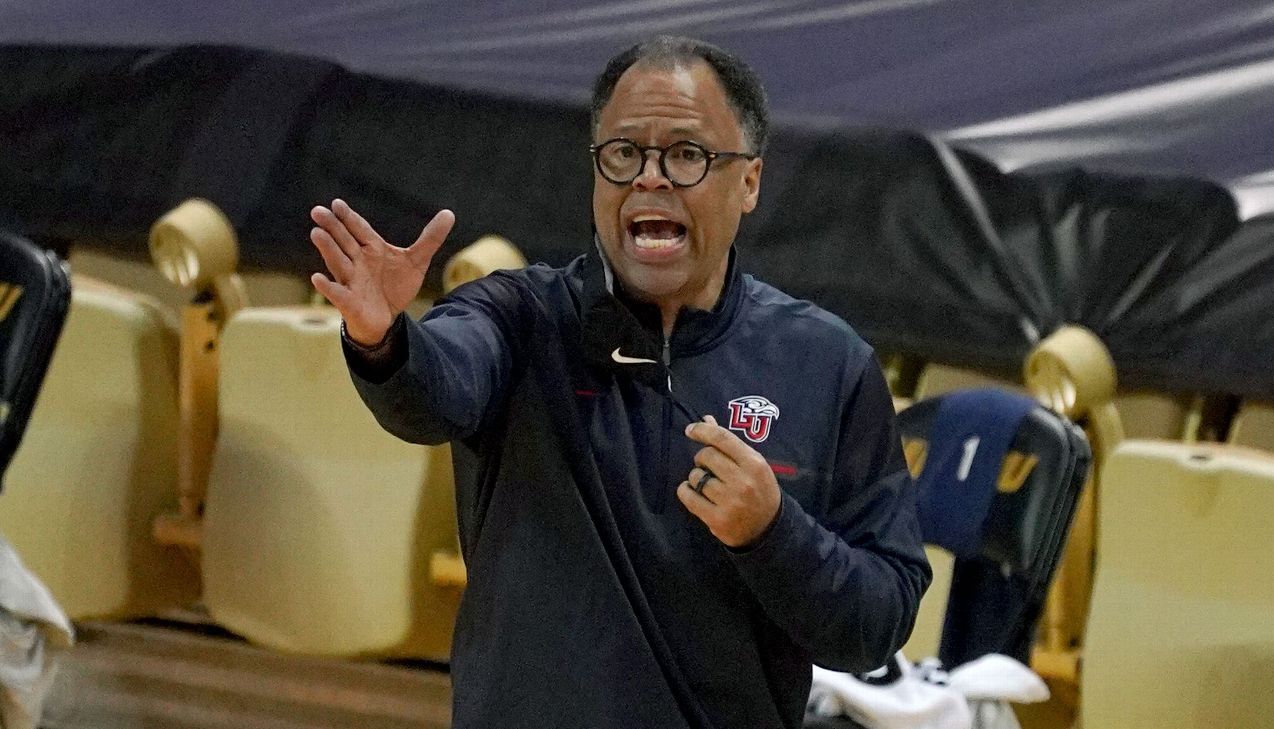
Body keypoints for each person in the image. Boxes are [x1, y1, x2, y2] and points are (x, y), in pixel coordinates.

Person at [308, 35, 930, 729]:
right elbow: (433, 389)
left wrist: (772, 531)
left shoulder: (828, 363)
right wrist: (382, 338)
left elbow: (880, 619)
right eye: (624, 153)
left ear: (750, 181)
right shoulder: (519, 318)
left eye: (688, 154)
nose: (650, 178)